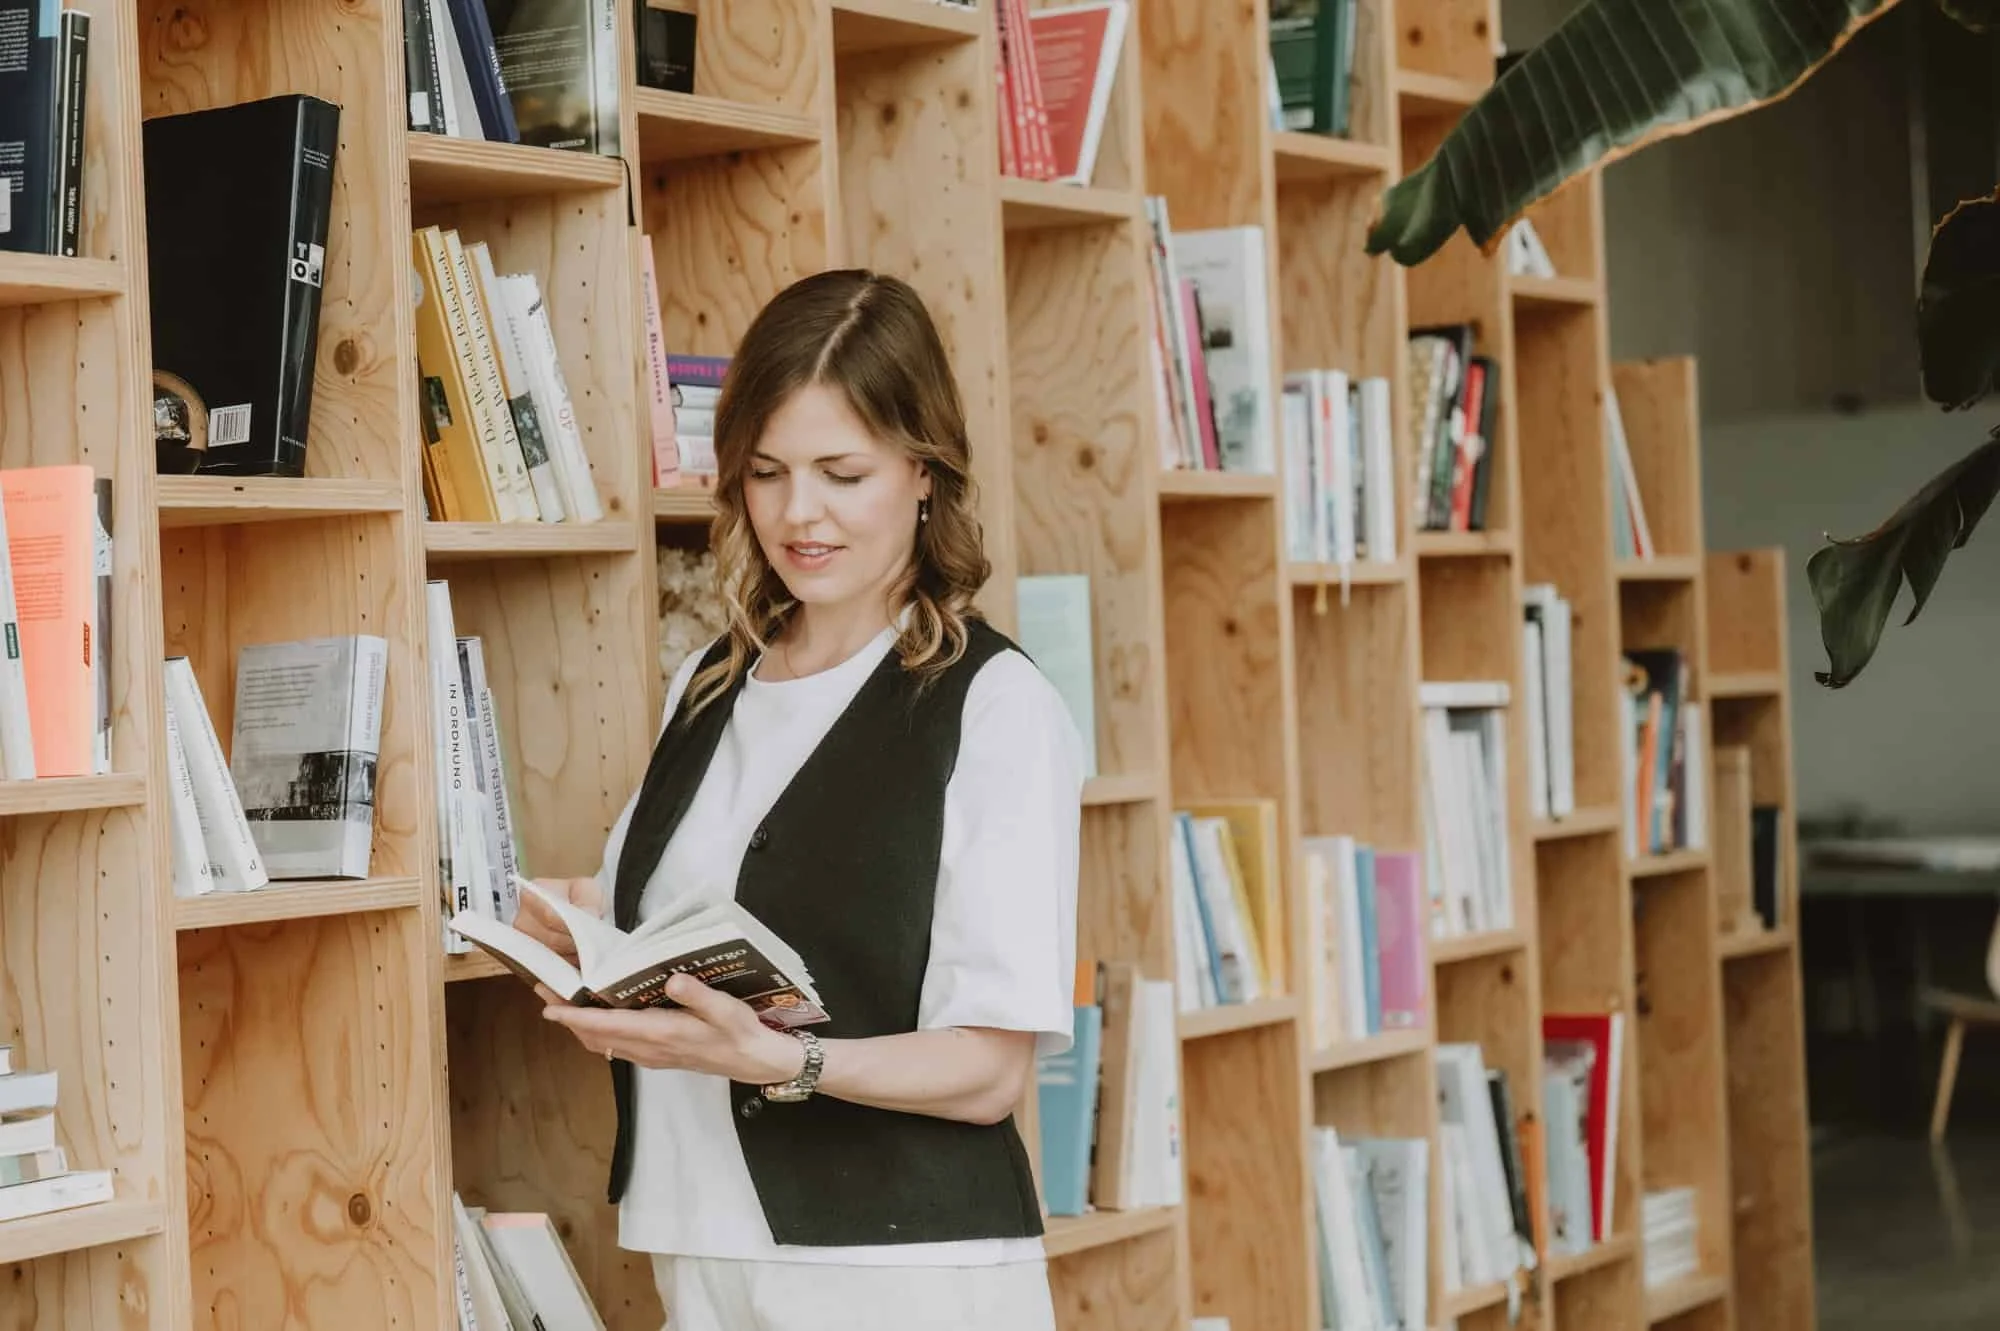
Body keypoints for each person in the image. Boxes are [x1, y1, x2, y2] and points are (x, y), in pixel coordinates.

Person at [516, 267, 1085, 1331]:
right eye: (767, 471)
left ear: (923, 472)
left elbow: (988, 1067)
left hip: (899, 1268)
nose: (797, 513)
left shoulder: (992, 707)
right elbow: (698, 912)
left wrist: (782, 1059)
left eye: (841, 471)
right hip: (696, 1233)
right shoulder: (710, 681)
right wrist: (576, 923)